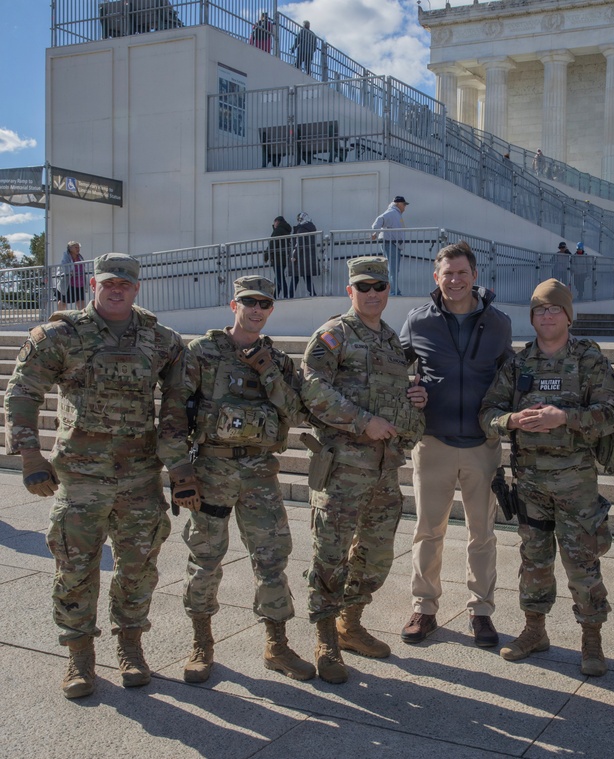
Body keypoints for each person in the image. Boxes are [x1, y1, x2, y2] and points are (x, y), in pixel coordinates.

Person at [4, 253, 188, 699]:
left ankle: (130, 645)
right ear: (92, 285)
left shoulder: (162, 340)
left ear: (136, 288)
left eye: (124, 284)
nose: (116, 290)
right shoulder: (60, 335)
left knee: (138, 569)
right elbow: (23, 391)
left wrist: (180, 464)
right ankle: (79, 654)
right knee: (75, 568)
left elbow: (178, 403)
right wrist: (30, 456)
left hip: (140, 478)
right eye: (108, 283)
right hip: (80, 478)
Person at [479, 279, 614, 676]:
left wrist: (565, 418)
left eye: (554, 309)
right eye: (539, 309)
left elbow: (611, 414)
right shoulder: (519, 363)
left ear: (568, 316)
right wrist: (511, 420)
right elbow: (487, 413)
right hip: (530, 484)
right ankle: (534, 630)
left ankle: (591, 639)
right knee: (534, 561)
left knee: (582, 563)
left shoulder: (589, 359)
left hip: (576, 484)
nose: (546, 315)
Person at [179, 276, 315, 685]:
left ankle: (277, 644)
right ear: (233, 304)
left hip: (259, 473)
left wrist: (267, 370)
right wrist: (179, 471)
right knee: (205, 558)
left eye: (264, 303)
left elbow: (297, 412)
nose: (256, 309)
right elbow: (174, 410)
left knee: (272, 559)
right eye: (249, 302)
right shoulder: (202, 352)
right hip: (212, 471)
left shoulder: (277, 359)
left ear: (271, 309)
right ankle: (201, 643)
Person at [300, 256, 428, 683]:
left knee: (375, 554)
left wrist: (416, 399)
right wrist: (361, 421)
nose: (372, 294)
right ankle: (325, 639)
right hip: (342, 467)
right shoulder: (334, 334)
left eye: (379, 286)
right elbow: (312, 388)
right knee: (330, 554)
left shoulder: (391, 340)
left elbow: (394, 394)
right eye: (363, 286)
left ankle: (349, 624)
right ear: (350, 290)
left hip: (383, 469)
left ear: (388, 290)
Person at [399, 241, 513, 647]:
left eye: (462, 272)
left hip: (483, 444)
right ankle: (424, 607)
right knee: (428, 531)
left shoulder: (498, 323)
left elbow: (509, 377)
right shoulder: (418, 321)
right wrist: (411, 392)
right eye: (448, 273)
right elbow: (392, 369)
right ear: (437, 277)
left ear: (475, 275)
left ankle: (481, 612)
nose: (455, 280)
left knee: (482, 533)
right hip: (434, 442)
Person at [371, 195, 408, 296]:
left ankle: (394, 290)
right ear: (398, 203)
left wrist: (376, 233)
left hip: (394, 243)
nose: (405, 207)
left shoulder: (395, 213)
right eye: (404, 204)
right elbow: (380, 219)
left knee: (394, 269)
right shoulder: (392, 212)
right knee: (393, 269)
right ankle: (393, 291)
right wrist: (375, 232)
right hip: (390, 242)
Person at [292, 212, 318, 297]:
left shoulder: (301, 230)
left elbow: (299, 244)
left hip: (301, 257)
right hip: (308, 256)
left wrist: (294, 256)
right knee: (307, 277)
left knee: (295, 277)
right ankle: (312, 293)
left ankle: (289, 294)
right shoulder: (311, 228)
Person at [56, 241, 87, 311]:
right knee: (63, 301)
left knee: (81, 301)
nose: (78, 249)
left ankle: (81, 316)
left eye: (78, 247)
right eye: (76, 247)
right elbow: (63, 268)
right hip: (68, 283)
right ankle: (60, 316)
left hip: (80, 283)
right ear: (70, 248)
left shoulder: (80, 257)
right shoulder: (66, 257)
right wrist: (70, 272)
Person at [267, 216, 292, 299]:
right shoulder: (286, 230)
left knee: (279, 278)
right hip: (284, 257)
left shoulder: (278, 231)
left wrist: (266, 255)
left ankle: (286, 295)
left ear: (277, 222)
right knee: (278, 278)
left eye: (274, 222)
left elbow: (272, 244)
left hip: (277, 258)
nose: (273, 224)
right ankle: (274, 296)